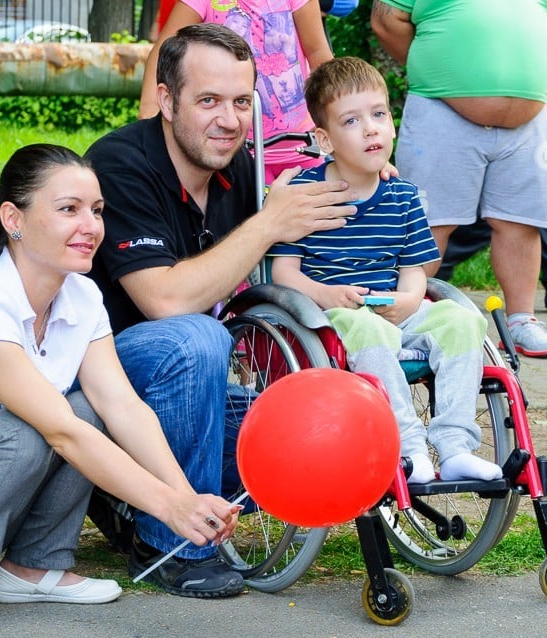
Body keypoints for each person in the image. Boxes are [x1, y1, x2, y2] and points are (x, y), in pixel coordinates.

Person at [0, 144, 243, 638]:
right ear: (14, 218)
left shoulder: (80, 296)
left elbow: (123, 407)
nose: (91, 226)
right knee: (36, 425)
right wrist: (165, 507)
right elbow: (58, 431)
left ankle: (31, 568)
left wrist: (190, 501)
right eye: (68, 210)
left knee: (90, 409)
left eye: (97, 211)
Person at [85, 23, 358, 597]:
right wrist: (267, 224)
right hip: (94, 378)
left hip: (183, 393)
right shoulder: (119, 163)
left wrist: (368, 175)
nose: (229, 120)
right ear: (165, 99)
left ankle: (121, 496)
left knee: (305, 436)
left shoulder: (244, 170)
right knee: (195, 339)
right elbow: (163, 300)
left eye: (241, 102)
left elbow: (318, 214)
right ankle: (171, 544)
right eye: (208, 101)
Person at [268, 57, 502, 483]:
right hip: (331, 317)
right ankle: (408, 446)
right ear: (325, 139)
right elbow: (283, 274)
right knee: (367, 328)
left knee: (464, 320)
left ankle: (453, 445)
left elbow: (415, 269)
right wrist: (327, 295)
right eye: (352, 121)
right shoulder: (304, 194)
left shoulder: (403, 196)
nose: (371, 128)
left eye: (378, 114)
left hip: (394, 308)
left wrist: (411, 298)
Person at [372, 0, 547, 358]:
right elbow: (387, 21)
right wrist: (439, 67)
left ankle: (521, 320)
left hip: (528, 121)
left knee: (521, 222)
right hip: (441, 109)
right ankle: (401, 317)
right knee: (429, 223)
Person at [436, 56, 547, 316]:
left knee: (539, 211)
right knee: (537, 211)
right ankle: (428, 272)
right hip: (527, 118)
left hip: (540, 114)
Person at [139, 0, 334, 182]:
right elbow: (163, 50)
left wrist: (334, 118)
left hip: (302, 145)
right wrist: (149, 111)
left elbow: (318, 56)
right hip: (234, 150)